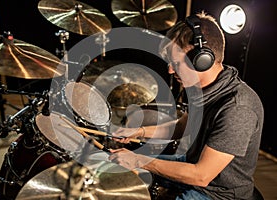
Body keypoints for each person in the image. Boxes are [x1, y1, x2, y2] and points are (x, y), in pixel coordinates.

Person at [108, 11, 264, 199]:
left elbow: (201, 176)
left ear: (203, 61)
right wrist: (139, 132)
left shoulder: (238, 108)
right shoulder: (204, 89)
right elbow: (182, 126)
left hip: (218, 193)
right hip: (192, 164)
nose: (170, 69)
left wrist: (139, 160)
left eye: (176, 62)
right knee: (116, 171)